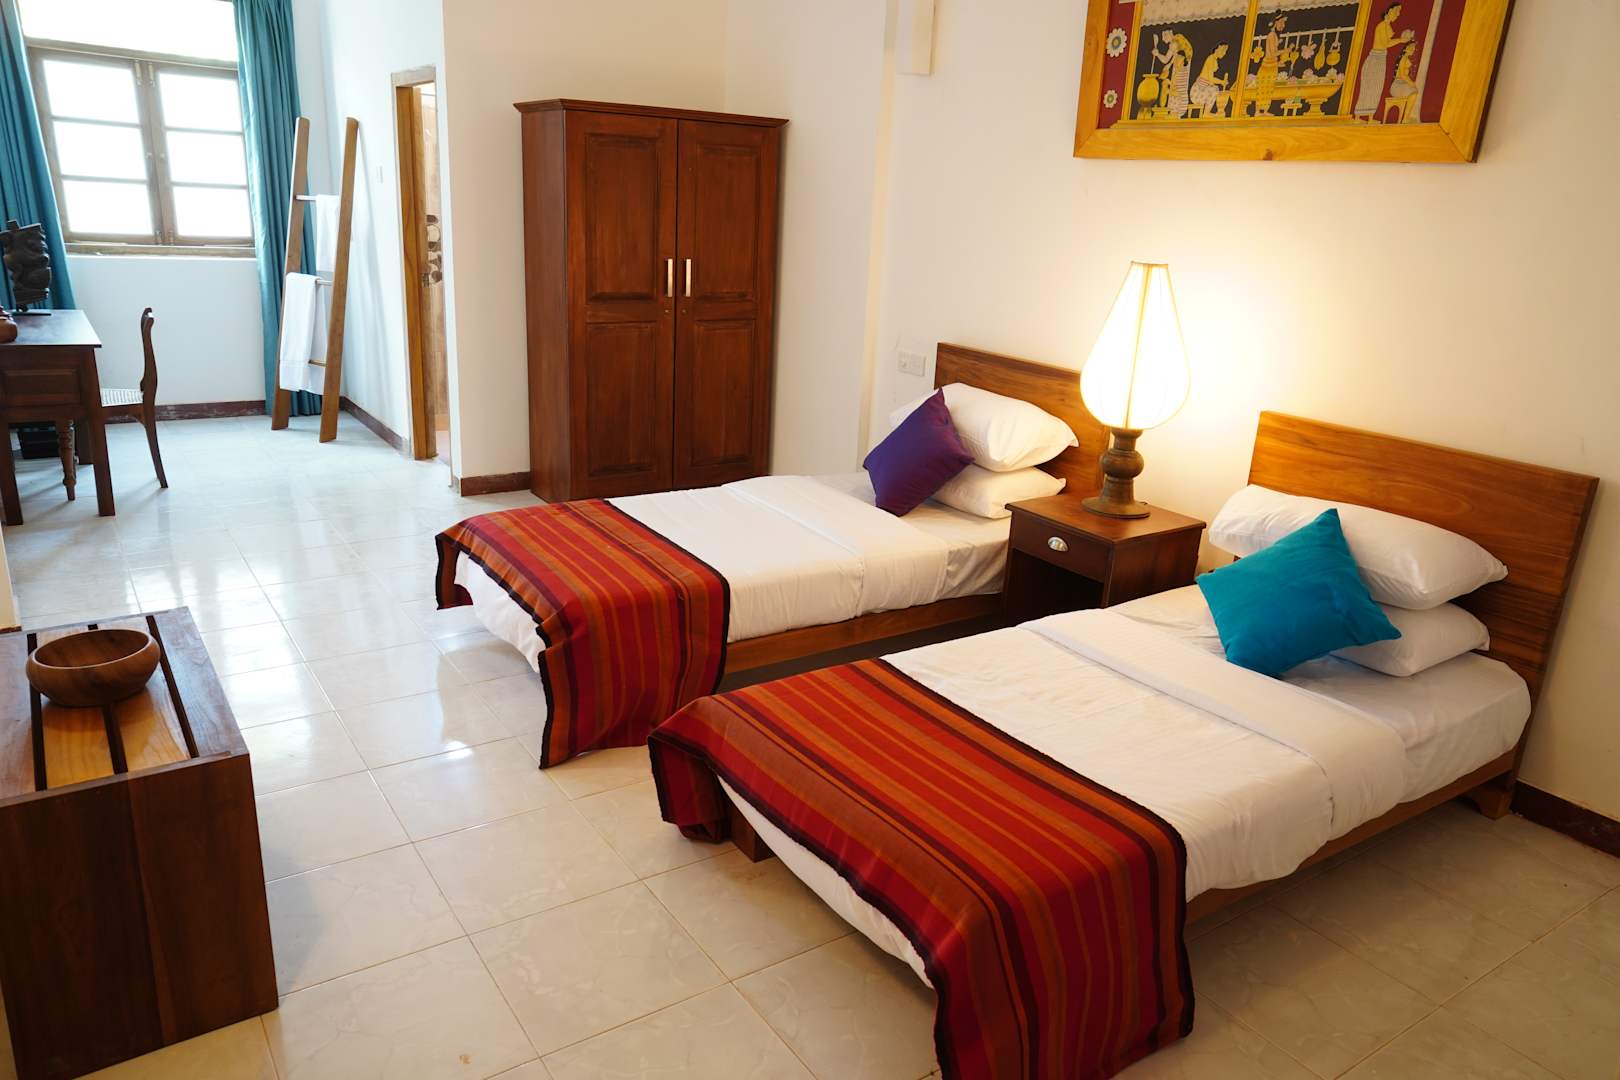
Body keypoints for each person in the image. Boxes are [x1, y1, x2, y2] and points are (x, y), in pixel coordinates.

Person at [1354, 3, 1415, 121]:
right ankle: (1358, 116)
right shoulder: (1382, 26)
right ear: (1390, 11)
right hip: (1374, 59)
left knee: (1377, 87)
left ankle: (1370, 117)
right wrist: (1400, 40)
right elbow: (1385, 43)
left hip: (1381, 58)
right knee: (1368, 87)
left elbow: (1388, 42)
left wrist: (1401, 40)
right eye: (1396, 12)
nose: (1397, 15)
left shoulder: (1387, 26)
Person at [1190, 42, 1231, 117]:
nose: (1224, 53)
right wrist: (1221, 82)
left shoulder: (1214, 59)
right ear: (1218, 47)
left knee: (1214, 88)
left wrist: (1220, 82)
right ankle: (1206, 113)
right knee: (1215, 89)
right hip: (1197, 92)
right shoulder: (1211, 59)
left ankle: (1207, 112)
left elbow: (1210, 81)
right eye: (1223, 50)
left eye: (1225, 51)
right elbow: (1211, 79)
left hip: (1202, 88)